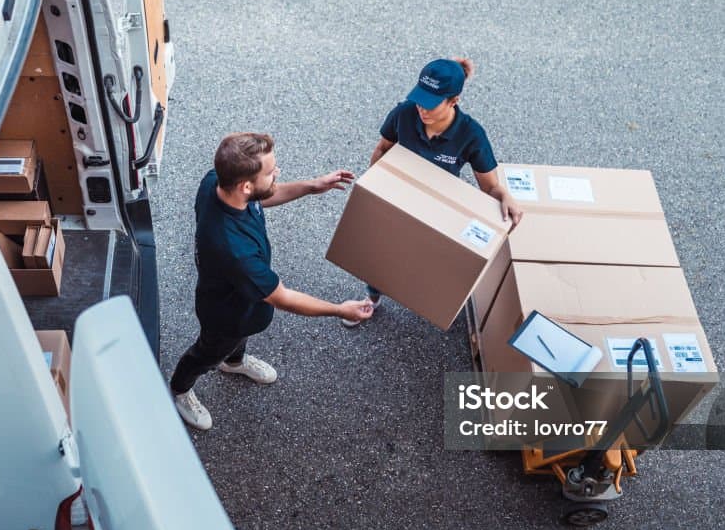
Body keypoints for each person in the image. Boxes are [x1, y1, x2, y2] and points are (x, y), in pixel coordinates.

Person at [170, 132, 374, 430]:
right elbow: (283, 298)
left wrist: (311, 185)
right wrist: (340, 310)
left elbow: (262, 197)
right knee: (207, 352)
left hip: (245, 302)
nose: (277, 173)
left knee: (237, 340)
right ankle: (180, 389)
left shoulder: (216, 182)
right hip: (226, 314)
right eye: (271, 171)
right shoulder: (236, 252)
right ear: (246, 185)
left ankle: (234, 362)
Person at [342, 57, 525, 326]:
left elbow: (490, 186)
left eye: (431, 103)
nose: (421, 109)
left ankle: (425, 298)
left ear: (454, 101)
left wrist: (505, 197)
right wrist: (374, 187)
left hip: (438, 206)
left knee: (425, 256)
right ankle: (372, 296)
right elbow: (383, 148)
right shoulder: (404, 113)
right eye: (420, 98)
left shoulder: (471, 134)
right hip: (398, 197)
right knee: (382, 251)